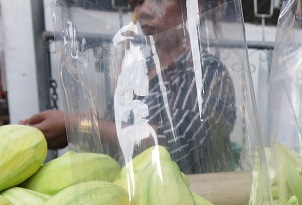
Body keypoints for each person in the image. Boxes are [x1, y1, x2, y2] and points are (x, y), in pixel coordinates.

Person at [20, 0, 237, 174]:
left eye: (159, 0)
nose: (145, 10)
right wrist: (69, 129)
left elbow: (177, 148)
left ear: (193, 7)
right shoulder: (139, 70)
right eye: (140, 1)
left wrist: (81, 125)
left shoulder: (209, 73)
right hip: (131, 198)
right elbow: (113, 124)